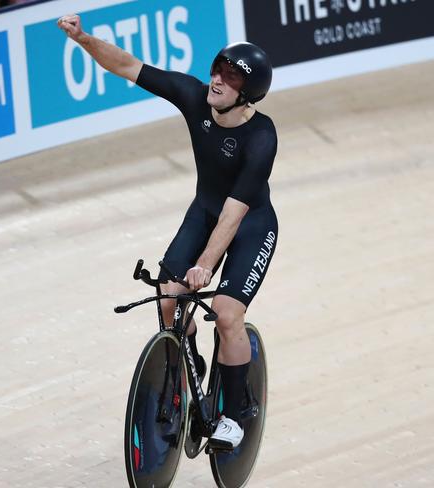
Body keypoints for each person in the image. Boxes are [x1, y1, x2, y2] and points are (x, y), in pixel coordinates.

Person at [58, 13, 278, 450]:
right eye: (218, 68)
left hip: (250, 224)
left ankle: (235, 414)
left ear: (247, 93)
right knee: (167, 301)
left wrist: (204, 266)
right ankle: (190, 363)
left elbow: (234, 214)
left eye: (230, 77)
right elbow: (127, 66)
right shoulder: (195, 98)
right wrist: (83, 38)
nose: (216, 79)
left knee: (227, 313)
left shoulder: (262, 136)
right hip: (205, 211)